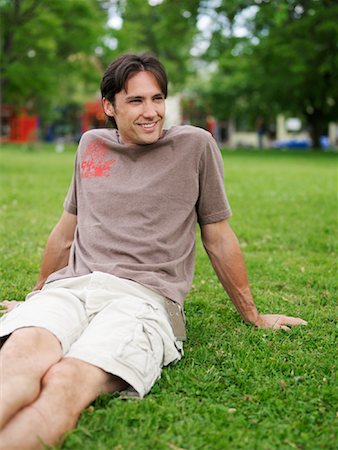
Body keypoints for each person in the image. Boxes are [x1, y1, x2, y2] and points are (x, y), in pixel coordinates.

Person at [0, 52, 307, 450]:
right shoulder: (90, 145)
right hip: (72, 290)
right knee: (19, 359)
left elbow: (217, 237)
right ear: (109, 107)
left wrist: (253, 314)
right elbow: (65, 232)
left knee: (66, 381)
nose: (151, 112)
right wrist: (37, 295)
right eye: (136, 101)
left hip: (142, 301)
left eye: (157, 99)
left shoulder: (196, 146)